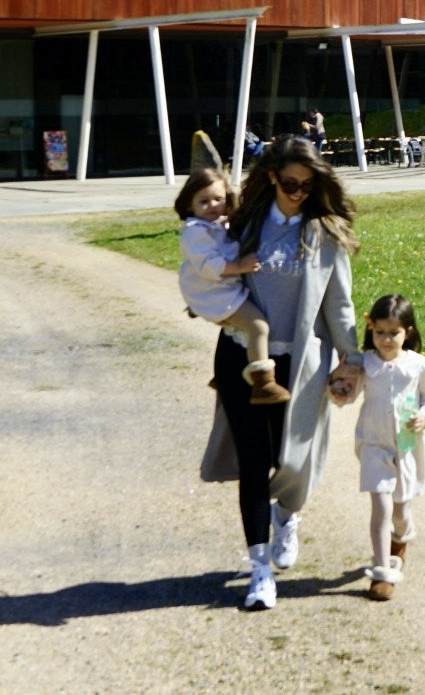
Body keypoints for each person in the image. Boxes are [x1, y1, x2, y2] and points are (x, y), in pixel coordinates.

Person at [212, 136, 366, 611]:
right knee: (255, 463)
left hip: (301, 364)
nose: (299, 192)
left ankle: (288, 514)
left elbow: (338, 305)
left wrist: (352, 358)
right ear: (273, 178)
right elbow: (206, 270)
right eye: (291, 183)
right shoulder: (247, 225)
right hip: (245, 360)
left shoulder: (325, 233)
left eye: (308, 184)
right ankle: (260, 570)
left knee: (296, 461)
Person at [351, 293, 425, 601]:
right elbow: (346, 392)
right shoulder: (364, 363)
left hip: (406, 448)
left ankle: (401, 539)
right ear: (371, 330)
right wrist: (338, 388)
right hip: (373, 446)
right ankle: (383, 573)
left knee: (401, 511)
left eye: (394, 333)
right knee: (381, 507)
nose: (386, 339)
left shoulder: (418, 366)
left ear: (409, 332)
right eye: (379, 332)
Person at [175, 168, 289, 405]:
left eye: (218, 199)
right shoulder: (195, 232)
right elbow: (209, 265)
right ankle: (263, 383)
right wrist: (239, 266)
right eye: (204, 201)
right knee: (258, 327)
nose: (213, 206)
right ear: (189, 205)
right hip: (214, 293)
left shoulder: (217, 225)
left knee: (241, 330)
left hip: (217, 291)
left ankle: (225, 375)